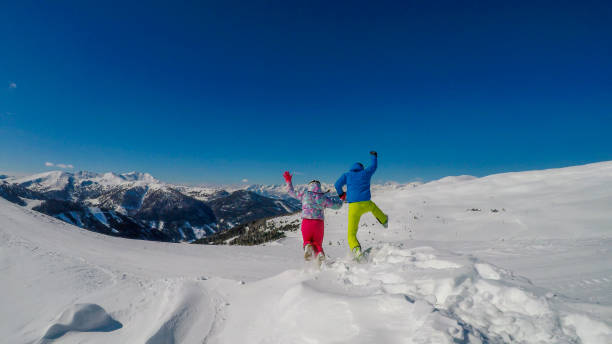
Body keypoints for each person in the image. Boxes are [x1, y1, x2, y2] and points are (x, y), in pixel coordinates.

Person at [334, 151, 388, 258]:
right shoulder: (365, 173)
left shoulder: (347, 175)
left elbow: (337, 184)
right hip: (366, 203)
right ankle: (384, 221)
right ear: (362, 168)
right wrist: (374, 156)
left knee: (351, 234)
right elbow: (373, 166)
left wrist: (341, 194)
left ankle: (356, 250)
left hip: (354, 207)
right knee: (374, 208)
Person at [283, 171, 343, 262]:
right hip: (318, 224)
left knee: (307, 240)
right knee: (318, 244)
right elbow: (336, 206)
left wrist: (288, 181)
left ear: (309, 186)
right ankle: (320, 256)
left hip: (306, 222)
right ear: (319, 187)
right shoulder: (323, 198)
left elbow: (290, 192)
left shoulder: (304, 194)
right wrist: (342, 199)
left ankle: (307, 246)